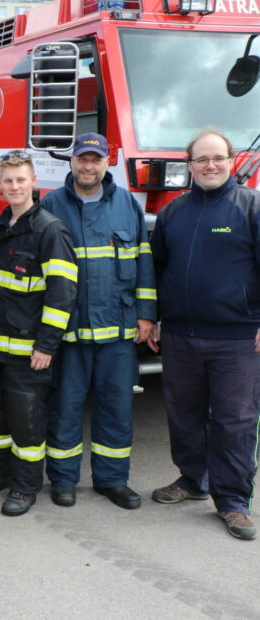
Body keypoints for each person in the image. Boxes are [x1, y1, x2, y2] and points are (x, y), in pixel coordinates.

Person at [148, 127, 260, 540]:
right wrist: (155, 316)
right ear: (189, 165)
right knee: (184, 413)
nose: (210, 166)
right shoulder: (174, 212)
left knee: (235, 420)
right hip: (180, 334)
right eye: (201, 159)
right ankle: (193, 480)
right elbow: (157, 269)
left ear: (230, 161)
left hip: (239, 337)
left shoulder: (251, 207)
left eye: (217, 158)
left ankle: (232, 502)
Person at [41, 132, 156, 510]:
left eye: (95, 159)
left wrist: (146, 316)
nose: (88, 166)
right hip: (70, 331)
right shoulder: (52, 204)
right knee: (66, 407)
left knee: (116, 409)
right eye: (82, 158)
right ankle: (63, 480)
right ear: (71, 161)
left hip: (119, 330)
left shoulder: (126, 204)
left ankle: (112, 480)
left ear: (107, 162)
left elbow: (143, 262)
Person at [0, 151, 77, 516]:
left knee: (27, 421)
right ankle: (1, 473)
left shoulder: (49, 229)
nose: (15, 186)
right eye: (8, 180)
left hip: (28, 350)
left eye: (21, 179)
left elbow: (62, 292)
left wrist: (47, 345)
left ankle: (25, 486)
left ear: (33, 181)